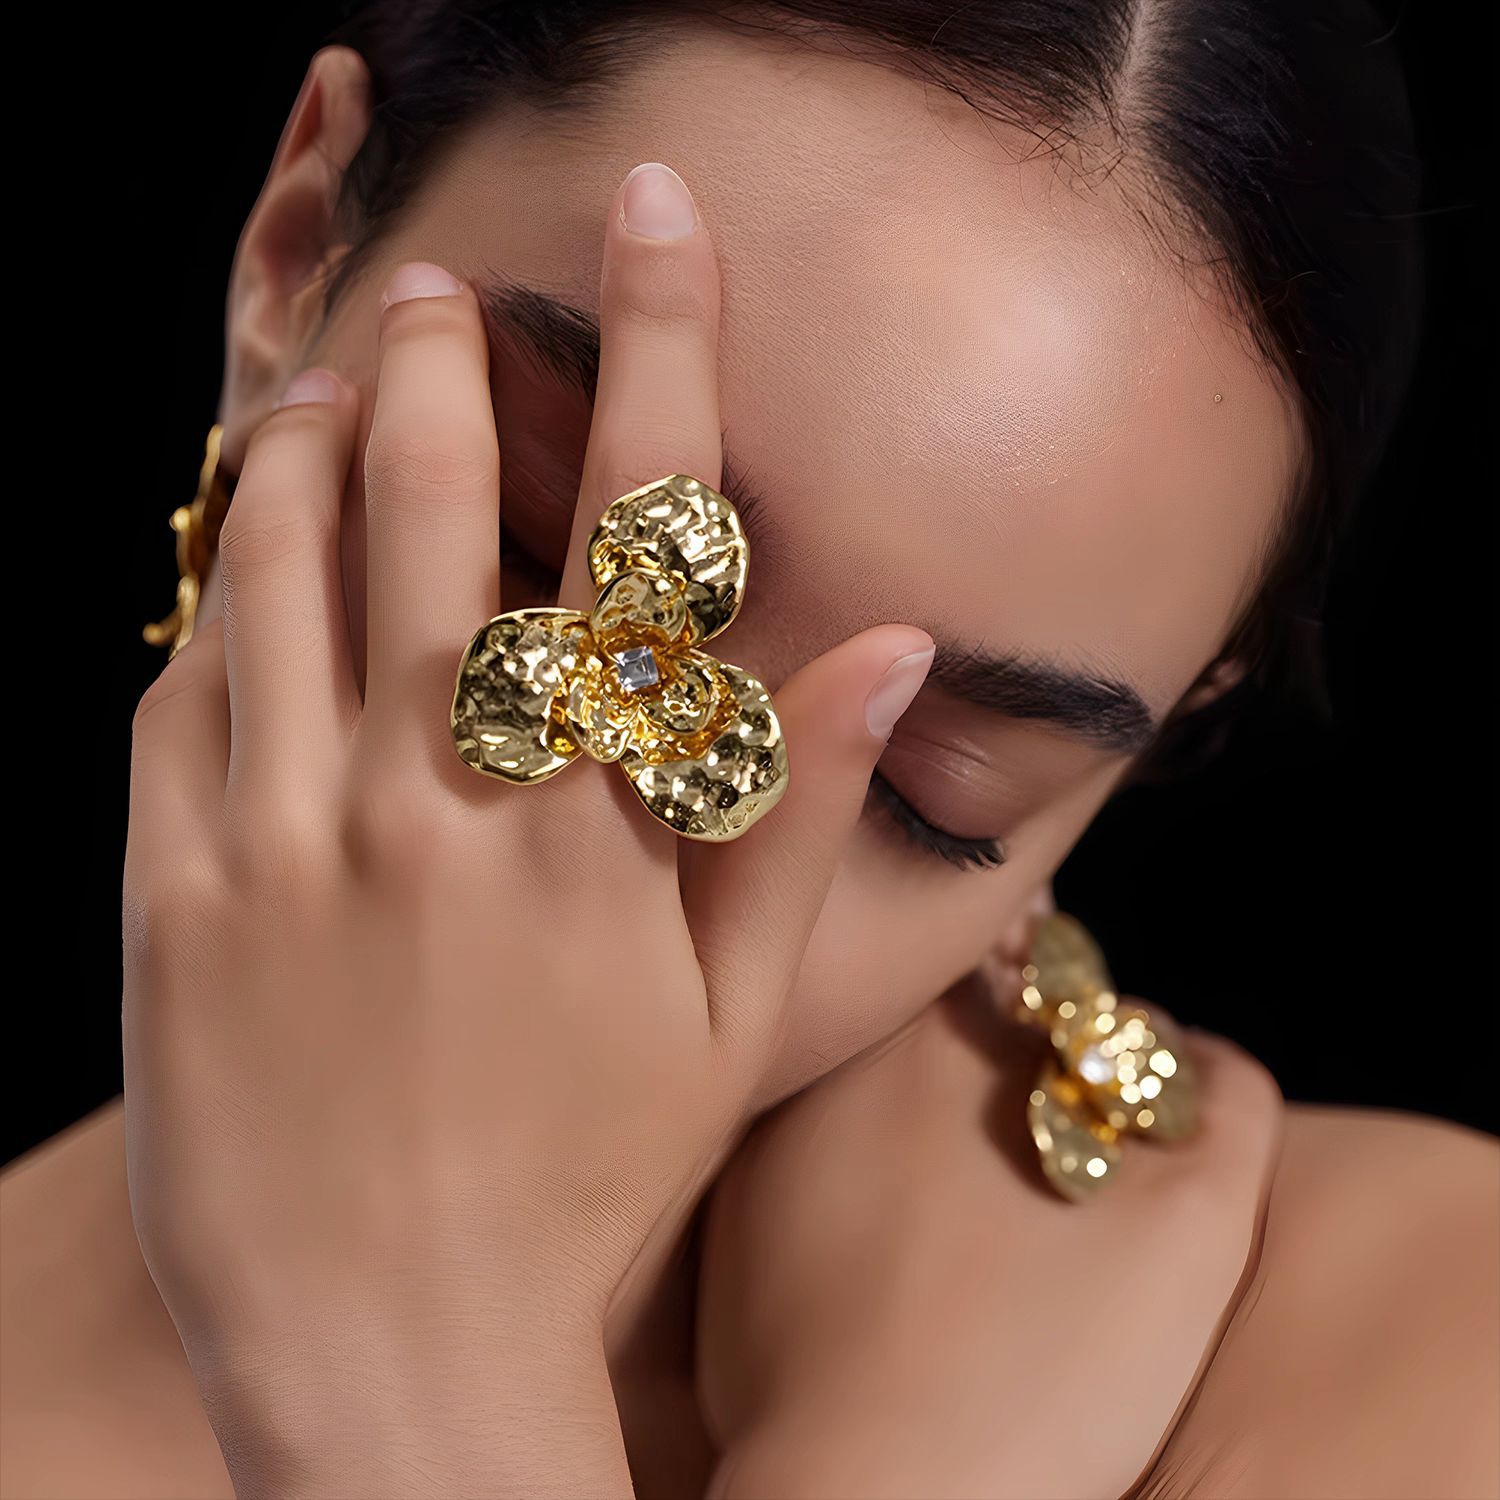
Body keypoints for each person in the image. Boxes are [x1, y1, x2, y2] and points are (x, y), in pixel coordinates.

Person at [3, 4, 1496, 1497]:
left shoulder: (1422, 1337)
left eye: (914, 786)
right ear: (294, 259)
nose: (646, 836)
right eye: (541, 543)